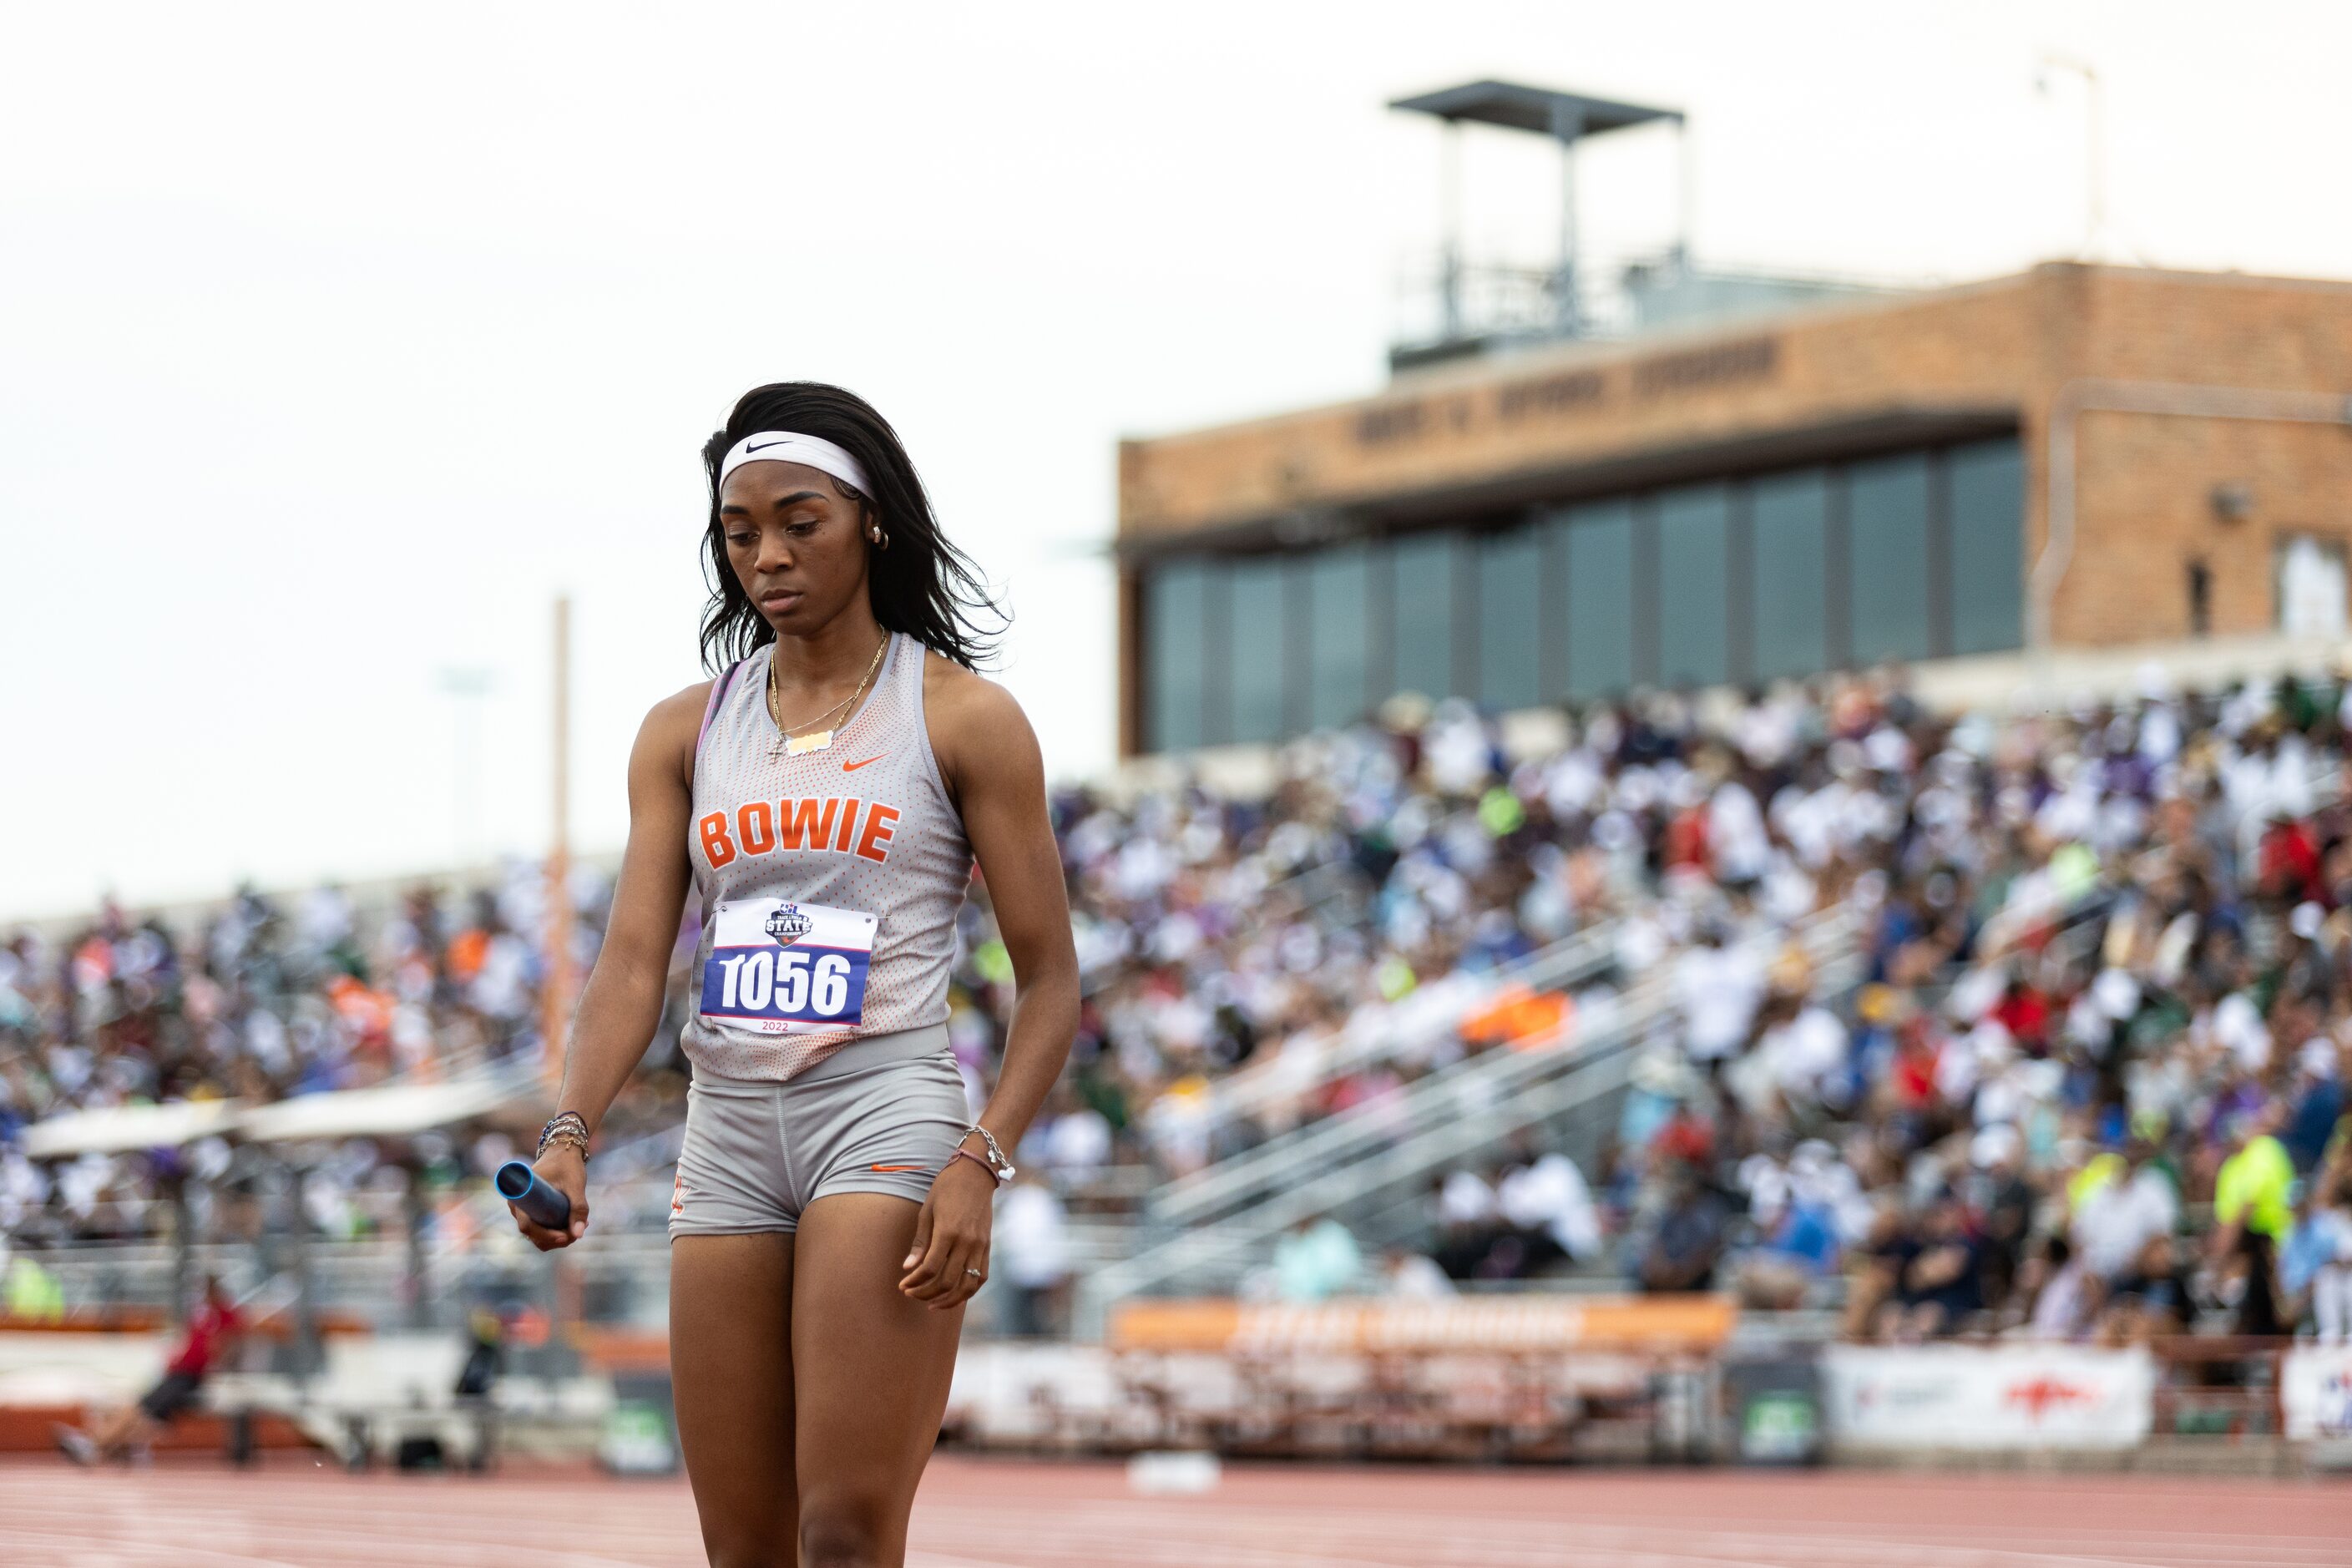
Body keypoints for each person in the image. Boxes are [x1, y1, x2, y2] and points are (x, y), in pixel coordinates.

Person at [508, 383, 1079, 1568]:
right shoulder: (685, 728)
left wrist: (982, 1159)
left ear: (869, 519)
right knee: (746, 1548)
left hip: (881, 1112)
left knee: (844, 1532)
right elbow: (629, 962)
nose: (766, 553)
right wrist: (570, 1128)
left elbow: (1052, 980)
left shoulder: (963, 718)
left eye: (799, 519)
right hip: (727, 1131)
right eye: (739, 530)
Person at [53, 1273, 240, 1464]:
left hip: (190, 1378)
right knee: (139, 1412)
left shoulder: (226, 1316)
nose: (205, 1294)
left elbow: (227, 1349)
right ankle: (99, 1447)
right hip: (177, 1375)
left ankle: (94, 1444)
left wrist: (217, 1363)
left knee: (138, 1411)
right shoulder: (203, 1316)